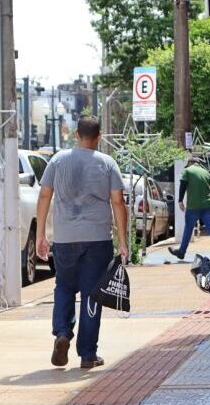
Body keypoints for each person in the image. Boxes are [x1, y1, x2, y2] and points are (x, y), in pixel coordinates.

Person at [36, 115, 129, 369]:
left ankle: (62, 333)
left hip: (65, 239)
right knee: (91, 295)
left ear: (76, 135)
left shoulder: (57, 160)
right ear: (99, 137)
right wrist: (123, 242)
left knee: (64, 287)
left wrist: (41, 235)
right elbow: (118, 202)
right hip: (97, 239)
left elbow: (45, 195)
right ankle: (87, 355)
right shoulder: (107, 163)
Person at [168, 157, 210, 260]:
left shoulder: (187, 171)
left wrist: (180, 200)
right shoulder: (206, 173)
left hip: (193, 206)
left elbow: (183, 185)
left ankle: (181, 252)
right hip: (207, 206)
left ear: (190, 162)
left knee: (188, 229)